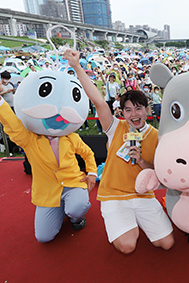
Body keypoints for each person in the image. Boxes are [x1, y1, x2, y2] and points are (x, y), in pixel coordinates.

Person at [63, 49, 174, 255]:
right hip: (113, 196)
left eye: (139, 108)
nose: (134, 114)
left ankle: (136, 223)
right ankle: (124, 225)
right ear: (121, 112)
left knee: (166, 243)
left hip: (143, 196)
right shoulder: (115, 127)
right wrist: (77, 66)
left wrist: (140, 160)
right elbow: (97, 101)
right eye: (129, 110)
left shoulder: (157, 136)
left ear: (147, 110)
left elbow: (157, 172)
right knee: (127, 246)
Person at [0, 79, 97, 243]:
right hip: (47, 191)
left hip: (73, 183)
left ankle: (75, 217)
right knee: (44, 237)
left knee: (77, 208)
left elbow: (88, 153)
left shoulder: (72, 137)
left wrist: (92, 172)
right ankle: (63, 209)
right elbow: (12, 124)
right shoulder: (29, 139)